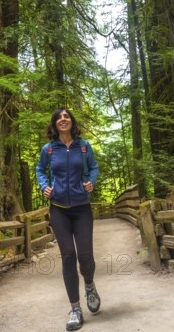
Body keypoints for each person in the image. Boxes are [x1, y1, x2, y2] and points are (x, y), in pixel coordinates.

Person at [35, 107, 101, 331]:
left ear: (72, 122)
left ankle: (90, 285)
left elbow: (93, 167)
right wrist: (44, 186)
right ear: (54, 124)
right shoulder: (49, 150)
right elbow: (39, 169)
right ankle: (75, 309)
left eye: (67, 116)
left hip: (82, 208)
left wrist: (91, 181)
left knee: (85, 256)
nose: (63, 119)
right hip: (59, 209)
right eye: (59, 117)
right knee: (68, 257)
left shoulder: (83, 146)